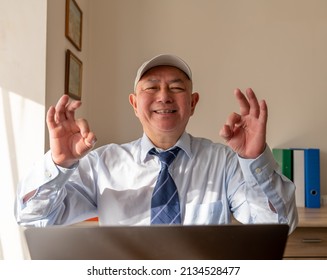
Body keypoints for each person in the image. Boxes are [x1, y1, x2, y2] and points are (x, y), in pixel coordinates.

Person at [15, 54, 298, 232]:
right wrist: (59, 163)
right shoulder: (103, 163)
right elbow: (33, 219)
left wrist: (254, 159)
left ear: (193, 102)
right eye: (151, 87)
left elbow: (279, 226)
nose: (164, 96)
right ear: (135, 104)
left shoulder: (223, 162)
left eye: (176, 88)